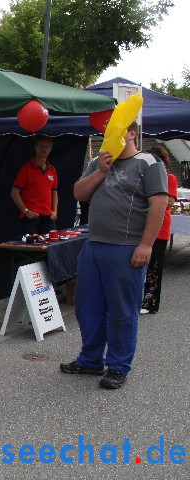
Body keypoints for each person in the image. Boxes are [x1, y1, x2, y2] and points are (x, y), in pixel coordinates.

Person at [60, 123, 168, 389]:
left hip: (126, 247)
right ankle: (90, 360)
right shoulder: (99, 161)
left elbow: (159, 204)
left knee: (122, 310)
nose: (111, 137)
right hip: (94, 244)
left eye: (118, 131)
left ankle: (118, 366)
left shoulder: (148, 162)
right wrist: (101, 171)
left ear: (132, 133)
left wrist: (146, 245)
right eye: (108, 133)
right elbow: (79, 193)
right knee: (88, 307)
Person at [141, 145, 178, 315]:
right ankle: (136, 299)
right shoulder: (142, 176)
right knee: (140, 264)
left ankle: (150, 302)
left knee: (154, 266)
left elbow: (169, 202)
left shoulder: (169, 178)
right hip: (141, 226)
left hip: (161, 227)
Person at [10, 135, 58, 235]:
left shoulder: (52, 169)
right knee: (32, 248)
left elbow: (54, 193)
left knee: (52, 246)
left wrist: (55, 211)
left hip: (48, 216)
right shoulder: (26, 169)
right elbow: (14, 192)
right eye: (40, 146)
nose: (43, 149)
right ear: (35, 147)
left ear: (50, 149)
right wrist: (25, 211)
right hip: (31, 216)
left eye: (46, 146)